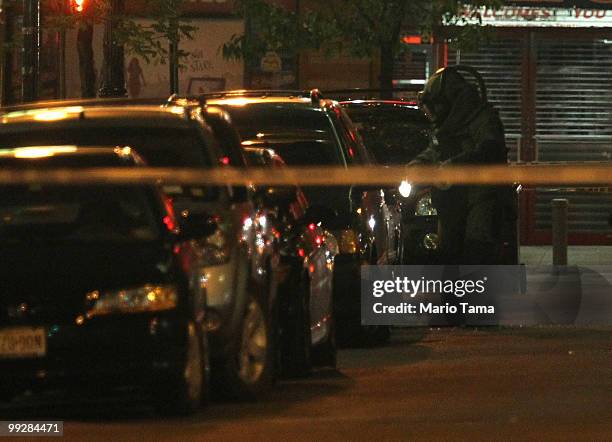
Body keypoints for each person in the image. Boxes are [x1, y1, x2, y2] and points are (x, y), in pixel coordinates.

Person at [411, 66, 509, 265]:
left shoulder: (482, 119)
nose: (435, 112)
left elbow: (490, 148)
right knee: (447, 256)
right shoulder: (447, 126)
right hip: (451, 202)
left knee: (476, 253)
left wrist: (454, 164)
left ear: (450, 101)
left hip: (480, 197)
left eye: (437, 105)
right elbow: (435, 150)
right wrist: (414, 167)